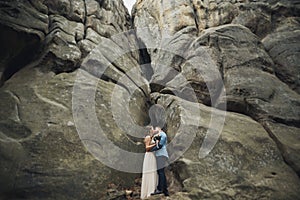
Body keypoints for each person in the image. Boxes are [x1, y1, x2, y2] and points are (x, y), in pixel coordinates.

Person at [140, 126, 158, 199]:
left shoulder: (152, 137)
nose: (153, 130)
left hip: (152, 155)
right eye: (152, 129)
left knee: (153, 171)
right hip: (149, 155)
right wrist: (155, 144)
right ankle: (148, 192)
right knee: (149, 172)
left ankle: (152, 189)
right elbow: (147, 148)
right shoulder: (147, 137)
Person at [151, 126, 169, 197]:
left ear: (159, 128)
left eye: (155, 129)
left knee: (160, 171)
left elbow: (160, 145)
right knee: (161, 172)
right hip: (160, 155)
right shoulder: (159, 135)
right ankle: (165, 190)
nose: (155, 130)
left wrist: (152, 149)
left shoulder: (162, 134)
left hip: (161, 154)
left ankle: (160, 189)